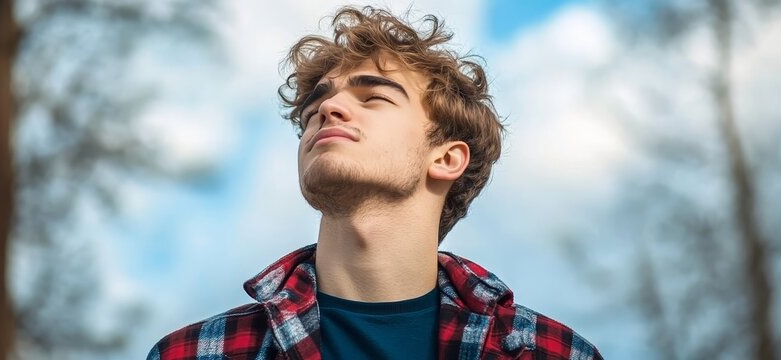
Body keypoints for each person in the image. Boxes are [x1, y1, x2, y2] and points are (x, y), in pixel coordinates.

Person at [147, 6, 603, 360]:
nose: (328, 109)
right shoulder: (193, 352)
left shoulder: (550, 352)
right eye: (313, 110)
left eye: (374, 97)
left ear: (446, 158)